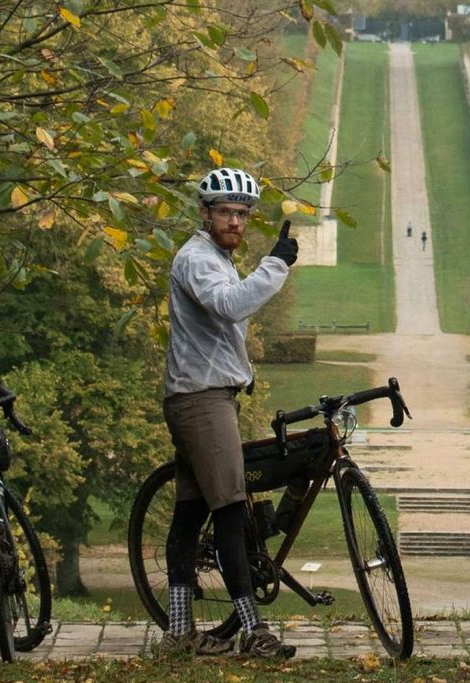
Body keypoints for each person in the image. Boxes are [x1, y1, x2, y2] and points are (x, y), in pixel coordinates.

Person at [160, 167, 299, 659]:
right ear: (205, 213)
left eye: (242, 214)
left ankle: (179, 633)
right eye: (226, 212)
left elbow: (215, 332)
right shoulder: (197, 259)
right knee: (231, 512)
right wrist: (275, 265)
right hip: (200, 399)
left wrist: (240, 370)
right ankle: (253, 631)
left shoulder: (213, 257)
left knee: (190, 512)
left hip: (204, 394)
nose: (236, 222)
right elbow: (231, 306)